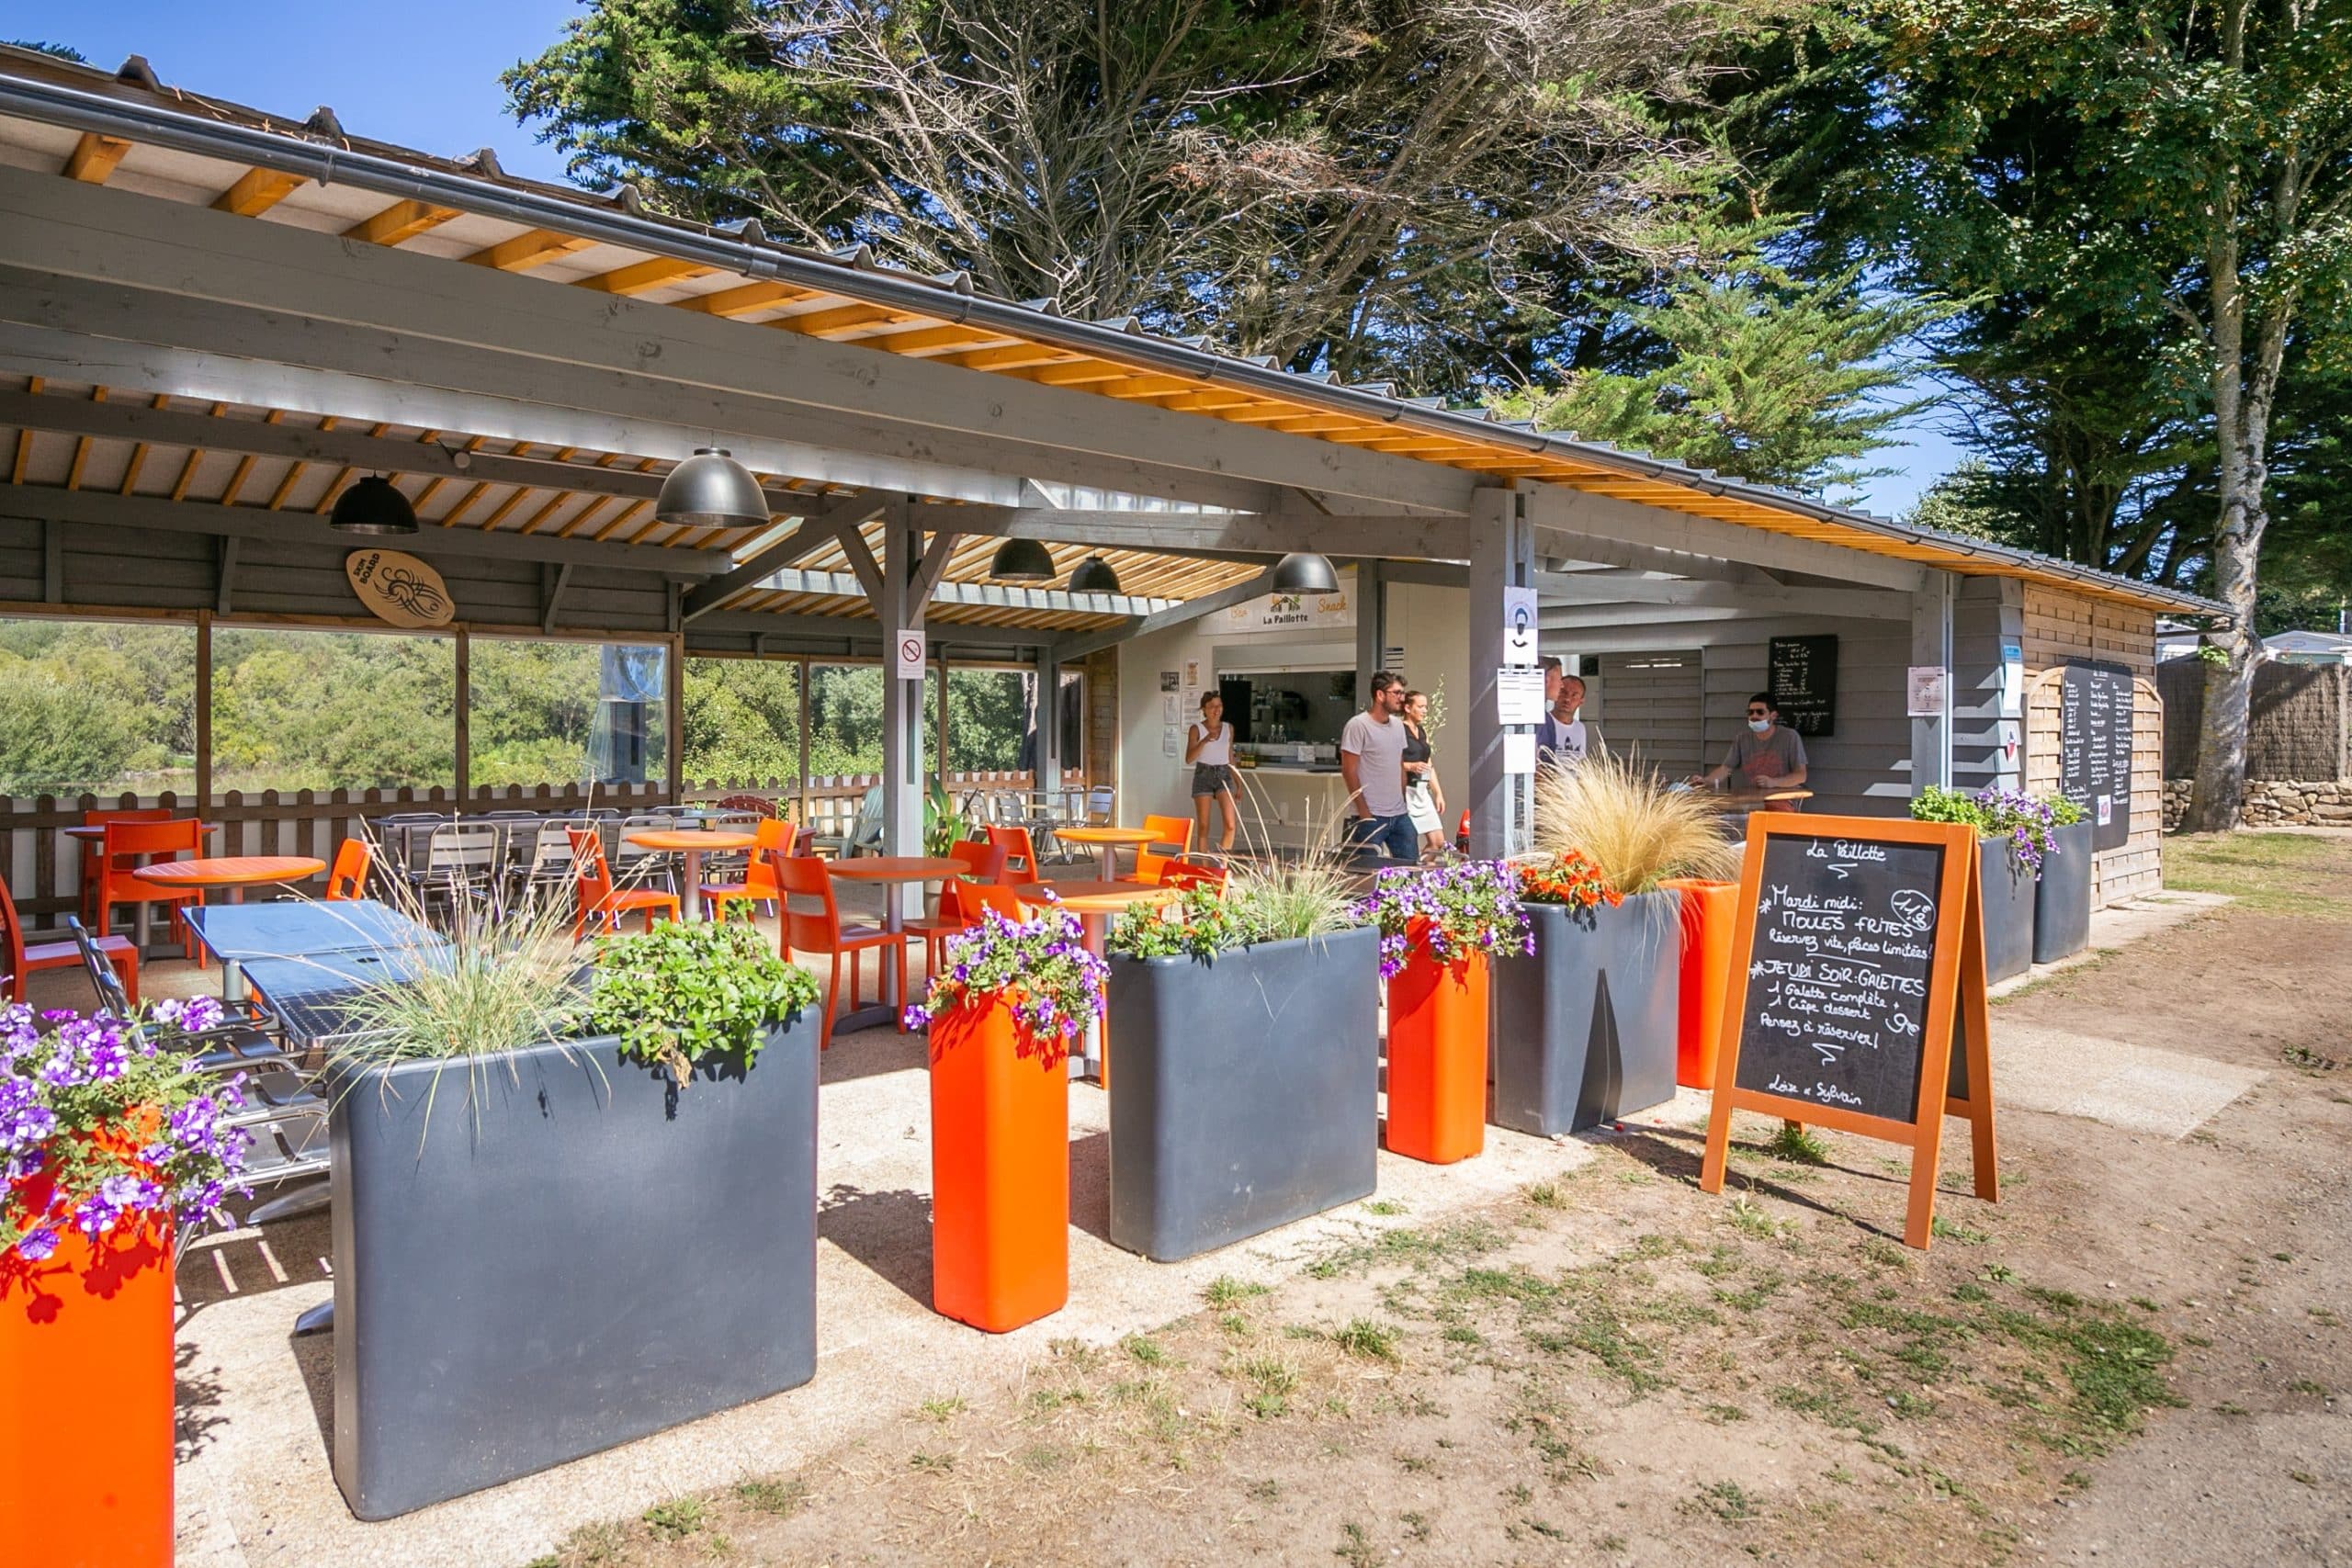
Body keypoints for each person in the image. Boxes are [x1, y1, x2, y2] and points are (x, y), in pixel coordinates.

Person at [1340, 671, 1419, 863]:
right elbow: (1349, 770)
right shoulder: (1358, 725)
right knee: (1365, 876)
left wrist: (1403, 802)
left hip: (1399, 813)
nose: (1402, 698)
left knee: (1409, 869)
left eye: (1403, 693)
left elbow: (1399, 764)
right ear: (1380, 695)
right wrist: (1364, 812)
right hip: (1371, 815)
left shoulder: (1398, 726)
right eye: (1397, 693)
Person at [1692, 692, 1809, 807]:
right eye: (1750, 712)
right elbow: (1725, 768)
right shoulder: (1742, 739)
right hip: (1750, 801)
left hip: (1781, 800)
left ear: (1773, 715)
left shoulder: (1789, 737)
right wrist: (1706, 780)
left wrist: (1773, 782)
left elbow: (1801, 776)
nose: (1754, 716)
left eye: (1760, 712)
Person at [1182, 690, 1238, 856]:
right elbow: (1189, 758)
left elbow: (1230, 756)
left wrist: (1238, 782)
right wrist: (1205, 740)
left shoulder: (1228, 728)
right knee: (1203, 826)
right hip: (1204, 773)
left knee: (1230, 825)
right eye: (1212, 706)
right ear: (1204, 709)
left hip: (1223, 773)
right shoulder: (1197, 729)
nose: (1216, 709)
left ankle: (1221, 864)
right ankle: (1204, 866)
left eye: (1219, 705)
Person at [1401, 688, 1448, 857]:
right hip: (1406, 791)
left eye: (1426, 707)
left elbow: (1429, 764)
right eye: (1420, 707)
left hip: (1422, 791)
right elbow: (1390, 762)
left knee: (1437, 842)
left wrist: (1438, 793)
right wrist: (1411, 766)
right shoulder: (1399, 730)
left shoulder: (1421, 731)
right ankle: (1406, 873)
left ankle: (1426, 876)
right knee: (1407, 843)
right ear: (1407, 708)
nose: (1424, 711)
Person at [1535, 672, 1606, 772]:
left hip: (1570, 786)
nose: (1567, 699)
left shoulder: (1580, 728)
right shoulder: (1542, 723)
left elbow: (1581, 761)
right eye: (1563, 692)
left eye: (1574, 695)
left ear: (1581, 702)